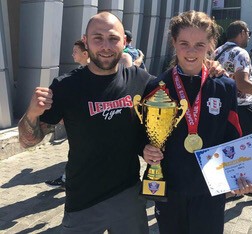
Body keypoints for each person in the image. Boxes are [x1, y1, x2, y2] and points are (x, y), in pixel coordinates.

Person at [18, 11, 154, 234]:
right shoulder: (66, 86)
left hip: (128, 195)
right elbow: (28, 142)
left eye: (113, 38)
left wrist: (212, 73)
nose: (106, 46)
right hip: (82, 201)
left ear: (125, 41)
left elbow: (176, 91)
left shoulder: (140, 80)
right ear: (85, 41)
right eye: (97, 38)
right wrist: (32, 113)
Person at [142, 11, 252, 234]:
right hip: (170, 189)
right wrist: (144, 149)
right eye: (184, 43)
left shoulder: (224, 87)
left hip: (210, 191)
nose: (191, 51)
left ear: (211, 44)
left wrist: (240, 174)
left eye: (199, 44)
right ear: (174, 42)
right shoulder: (157, 88)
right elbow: (142, 134)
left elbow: (232, 136)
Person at [214, 20, 252, 201]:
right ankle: (250, 185)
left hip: (222, 108)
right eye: (247, 32)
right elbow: (243, 84)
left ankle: (231, 186)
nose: (249, 35)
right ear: (241, 32)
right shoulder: (241, 53)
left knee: (230, 147)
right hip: (241, 107)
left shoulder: (217, 51)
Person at [45, 39, 90, 189]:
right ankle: (67, 179)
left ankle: (68, 179)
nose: (72, 55)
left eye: (75, 52)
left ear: (85, 54)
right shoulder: (72, 79)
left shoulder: (96, 77)